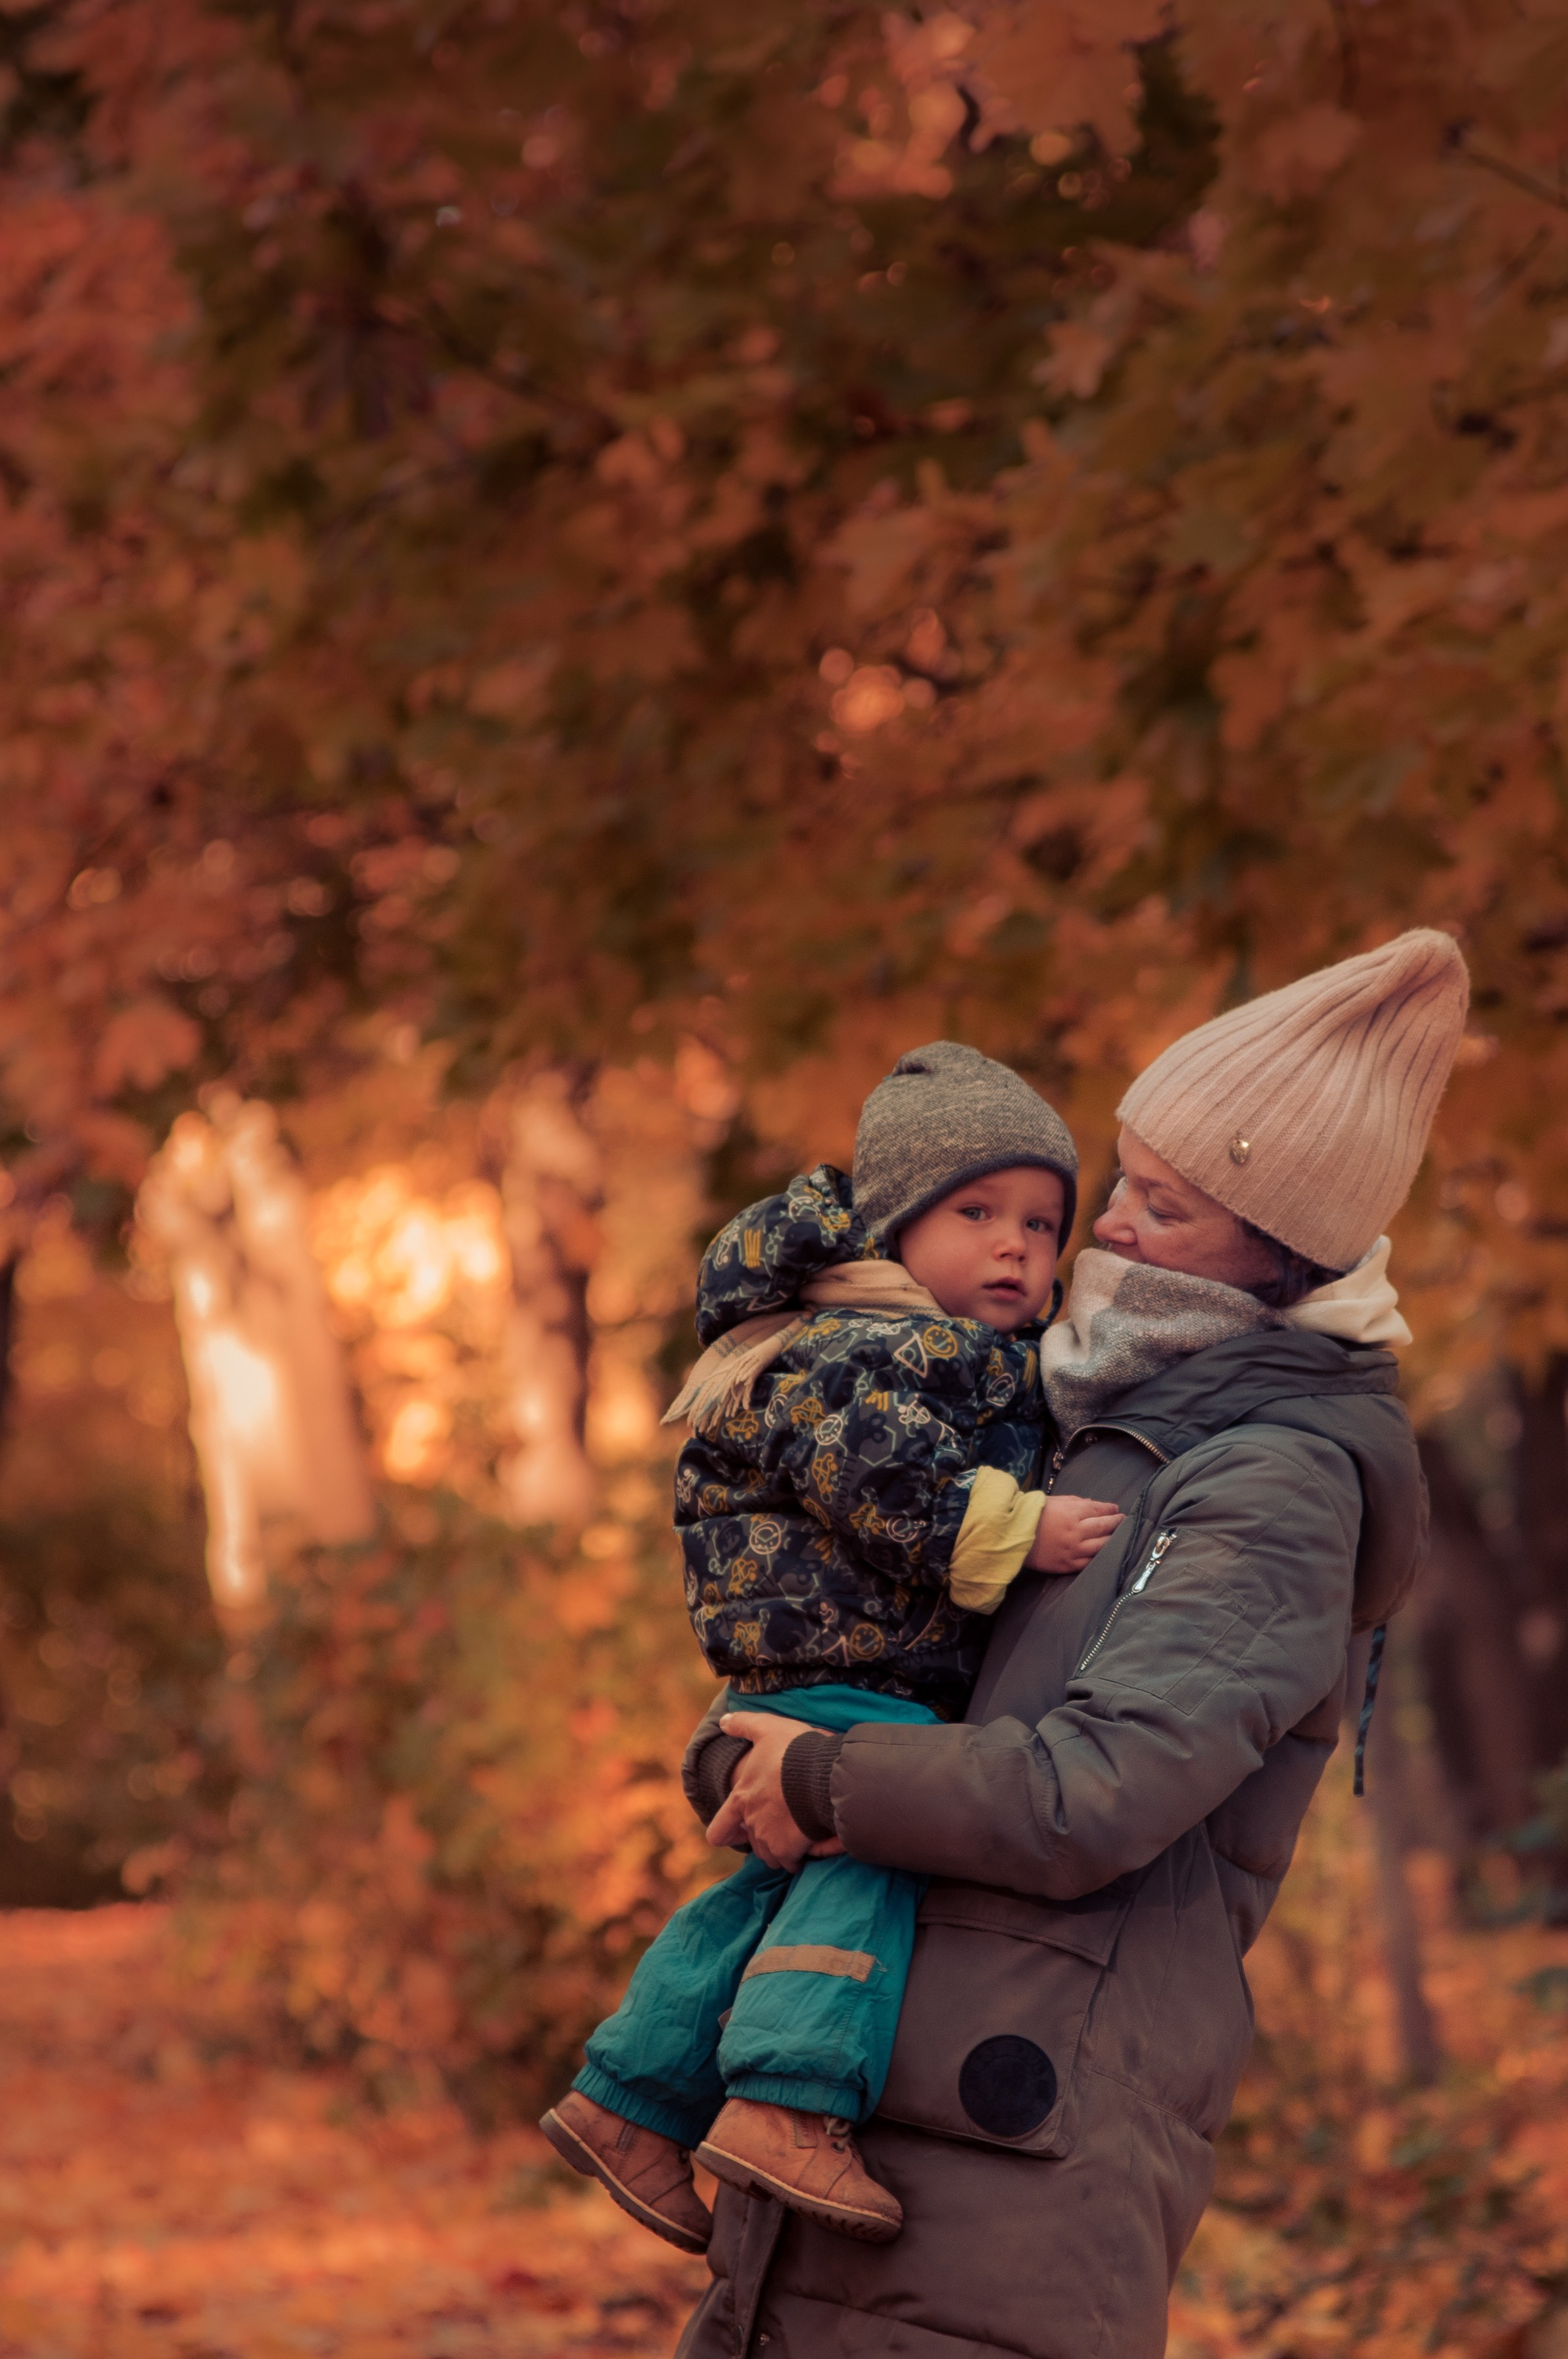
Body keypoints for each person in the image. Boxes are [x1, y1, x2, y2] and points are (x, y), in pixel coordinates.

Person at [675, 927, 1469, 2359]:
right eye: (1124, 1186)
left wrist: (821, 1780)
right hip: (892, 2083)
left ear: (1277, 1255)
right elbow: (927, 1674)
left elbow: (1088, 1789)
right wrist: (768, 1731)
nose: (1104, 1234)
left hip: (1018, 2143)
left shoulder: (1271, 1480)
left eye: (1162, 1212)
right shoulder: (1097, 1413)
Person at [541, 1043, 1122, 2252]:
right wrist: (1016, 1530)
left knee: (765, 1891)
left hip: (845, 1672)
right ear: (896, 1223)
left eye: (1041, 1221)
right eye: (977, 1213)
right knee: (876, 1846)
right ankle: (786, 2105)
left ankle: (630, 2099)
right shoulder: (855, 1344)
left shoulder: (943, 1346)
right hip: (845, 1678)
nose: (1017, 1245)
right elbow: (882, 1480)